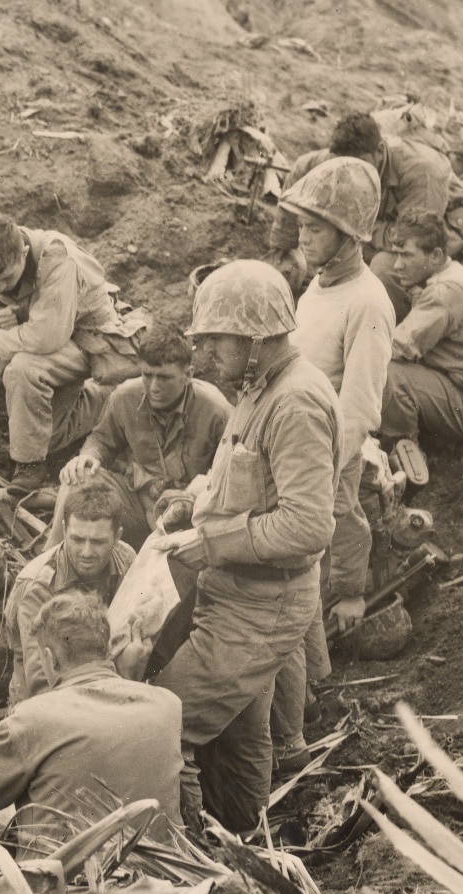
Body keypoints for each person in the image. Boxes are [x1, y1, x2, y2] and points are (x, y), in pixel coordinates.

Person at [149, 260, 341, 834]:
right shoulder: (260, 389)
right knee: (239, 733)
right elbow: (244, 477)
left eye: (216, 341)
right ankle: (252, 836)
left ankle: (199, 849)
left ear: (256, 341)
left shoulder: (296, 403)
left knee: (164, 725)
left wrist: (212, 542)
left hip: (261, 605)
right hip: (238, 593)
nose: (206, 355)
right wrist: (194, 498)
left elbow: (308, 527)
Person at [0, 591, 184, 851]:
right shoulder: (167, 706)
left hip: (69, 892)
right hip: (165, 882)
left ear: (48, 657)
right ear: (104, 649)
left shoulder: (33, 718)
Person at [280, 157, 394, 634]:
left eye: (314, 228)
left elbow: (360, 407)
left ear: (349, 236)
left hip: (332, 445)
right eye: (301, 226)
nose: (302, 237)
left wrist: (327, 462)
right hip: (298, 433)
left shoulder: (367, 301)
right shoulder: (318, 288)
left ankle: (348, 592)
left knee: (338, 511)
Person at [0, 215, 145, 492]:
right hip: (44, 338)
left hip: (91, 337)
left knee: (23, 369)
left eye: (6, 279)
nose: (1, 288)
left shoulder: (57, 257)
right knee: (42, 432)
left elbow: (47, 337)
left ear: (24, 252)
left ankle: (29, 465)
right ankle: (65, 417)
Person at [48, 326, 230, 549]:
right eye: (147, 375)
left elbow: (228, 478)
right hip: (136, 503)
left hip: (187, 513)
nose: (154, 387)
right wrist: (88, 456)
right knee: (79, 477)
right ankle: (52, 564)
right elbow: (102, 441)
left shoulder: (216, 411)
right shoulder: (125, 397)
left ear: (188, 375)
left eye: (164, 378)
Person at [268, 112, 453, 309]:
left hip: (423, 243)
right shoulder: (340, 158)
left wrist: (353, 229)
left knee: (384, 268)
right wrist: (284, 246)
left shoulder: (423, 174)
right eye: (345, 162)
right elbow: (301, 170)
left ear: (380, 151)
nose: (352, 170)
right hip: (373, 234)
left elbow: (412, 240)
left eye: (361, 162)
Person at [380, 213, 463, 450]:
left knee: (388, 374)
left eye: (406, 255)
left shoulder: (444, 292)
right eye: (397, 254)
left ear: (436, 256)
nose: (397, 265)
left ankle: (404, 457)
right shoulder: (451, 272)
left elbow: (396, 347)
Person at [4, 483, 135, 706]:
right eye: (76, 539)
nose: (86, 552)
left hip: (106, 684)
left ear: (117, 536)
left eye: (98, 542)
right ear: (64, 530)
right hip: (45, 704)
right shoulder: (37, 588)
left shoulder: (126, 559)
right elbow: (41, 683)